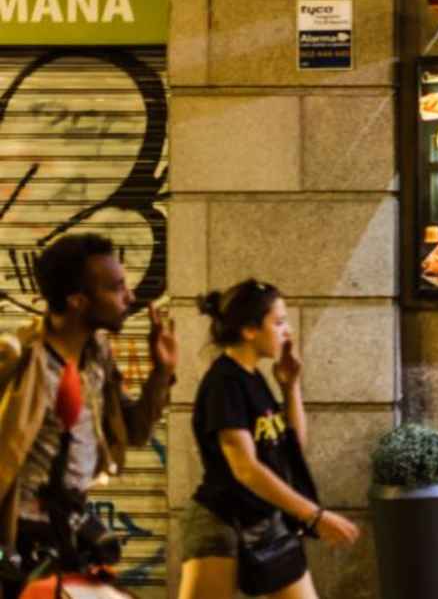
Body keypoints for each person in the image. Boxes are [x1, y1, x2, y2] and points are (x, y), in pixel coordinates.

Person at [0, 233, 176, 599]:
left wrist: (161, 373)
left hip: (71, 528)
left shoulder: (96, 355)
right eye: (116, 288)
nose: (130, 297)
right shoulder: (23, 362)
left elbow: (132, 432)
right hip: (25, 536)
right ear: (77, 301)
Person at [178, 280, 359, 599]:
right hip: (222, 522)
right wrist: (313, 515)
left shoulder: (253, 378)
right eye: (278, 322)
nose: (287, 331)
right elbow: (245, 468)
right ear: (250, 330)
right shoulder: (225, 382)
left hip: (264, 521)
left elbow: (293, 449)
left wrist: (290, 387)